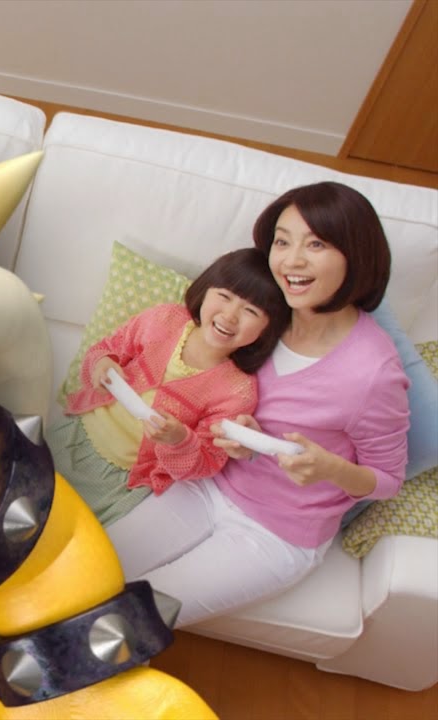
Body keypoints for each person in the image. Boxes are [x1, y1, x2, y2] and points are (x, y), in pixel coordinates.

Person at [105, 182, 409, 627]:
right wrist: (242, 442)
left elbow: (388, 480)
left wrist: (330, 469)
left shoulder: (374, 373)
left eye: (316, 244)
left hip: (277, 535)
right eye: (282, 242)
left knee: (132, 618)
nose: (292, 260)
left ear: (355, 254)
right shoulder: (264, 315)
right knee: (94, 565)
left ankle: (34, 670)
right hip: (206, 486)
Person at [48, 248, 290, 526]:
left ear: (267, 329)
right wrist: (102, 364)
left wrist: (179, 440)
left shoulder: (238, 391)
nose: (230, 315)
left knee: (65, 530)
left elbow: (206, 462)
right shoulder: (164, 319)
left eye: (250, 311)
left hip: (121, 480)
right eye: (224, 296)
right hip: (74, 434)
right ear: (205, 289)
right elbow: (104, 349)